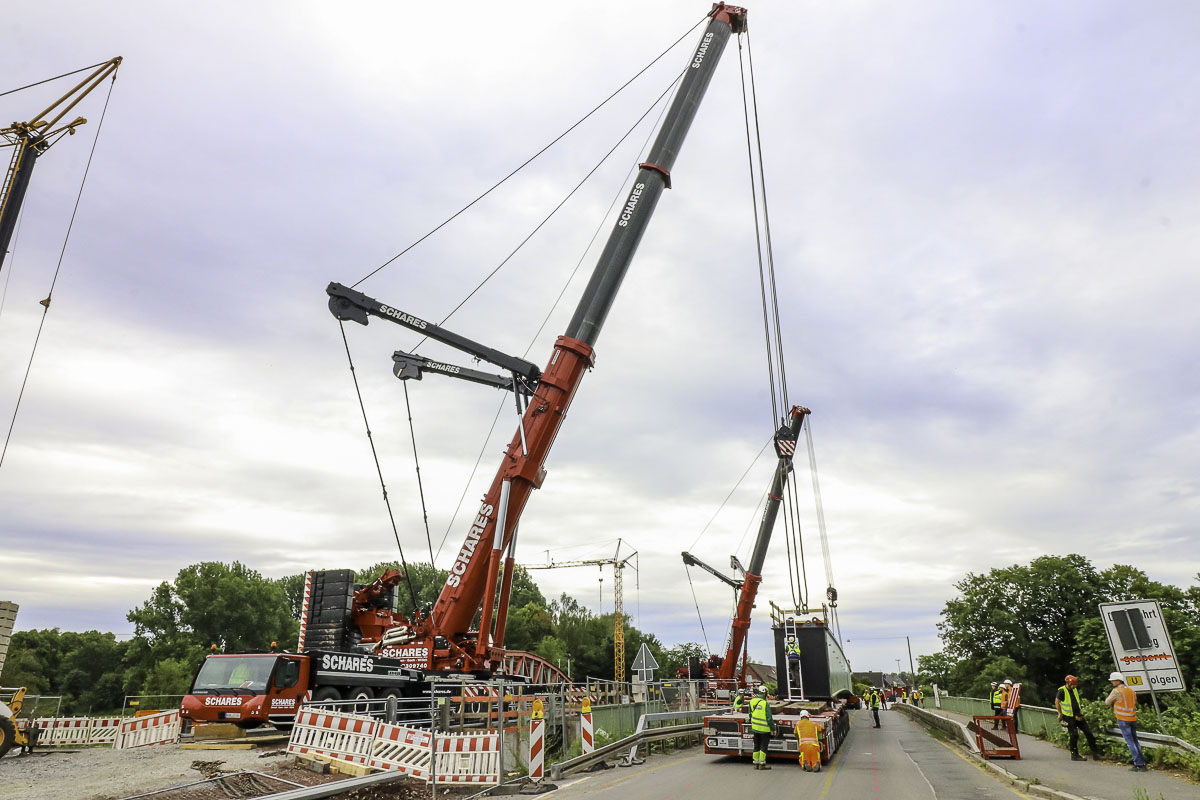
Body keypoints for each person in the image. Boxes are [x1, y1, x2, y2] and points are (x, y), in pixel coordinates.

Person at [1105, 672, 1147, 772]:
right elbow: (1134, 702)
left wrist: (1114, 703)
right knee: (1135, 741)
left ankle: (1138, 764)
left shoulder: (1116, 691)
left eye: (1113, 681)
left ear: (1118, 681)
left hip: (1123, 719)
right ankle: (1142, 763)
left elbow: (1107, 702)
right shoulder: (1131, 690)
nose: (1112, 683)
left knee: (1130, 742)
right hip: (1132, 718)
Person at [1055, 674, 1098, 761]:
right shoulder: (1062, 691)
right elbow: (1057, 702)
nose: (1075, 686)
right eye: (1073, 684)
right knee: (1074, 735)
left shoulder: (1074, 690)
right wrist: (1060, 714)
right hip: (1069, 717)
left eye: (1075, 684)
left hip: (1078, 715)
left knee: (1088, 732)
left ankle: (1096, 754)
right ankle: (1074, 755)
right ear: (1068, 683)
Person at [748, 685, 774, 770]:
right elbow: (769, 718)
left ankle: (755, 763)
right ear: (765, 693)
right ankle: (762, 764)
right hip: (764, 729)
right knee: (763, 746)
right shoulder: (765, 703)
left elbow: (750, 714)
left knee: (756, 745)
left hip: (755, 728)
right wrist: (773, 729)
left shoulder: (751, 702)